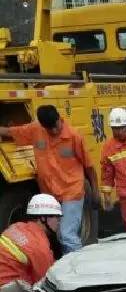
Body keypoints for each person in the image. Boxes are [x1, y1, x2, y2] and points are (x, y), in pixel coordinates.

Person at [0, 105, 98, 254]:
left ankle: (79, 269)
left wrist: (95, 191)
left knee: (66, 234)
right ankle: (68, 267)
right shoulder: (35, 130)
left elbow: (89, 167)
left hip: (72, 191)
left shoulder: (74, 137)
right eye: (49, 128)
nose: (53, 131)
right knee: (57, 235)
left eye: (55, 126)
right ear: (42, 125)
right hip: (50, 194)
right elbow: (10, 132)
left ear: (59, 118)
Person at [0, 194, 61, 292]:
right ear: (44, 218)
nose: (59, 223)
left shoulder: (17, 227)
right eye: (57, 218)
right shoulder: (38, 247)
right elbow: (46, 284)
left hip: (5, 288)